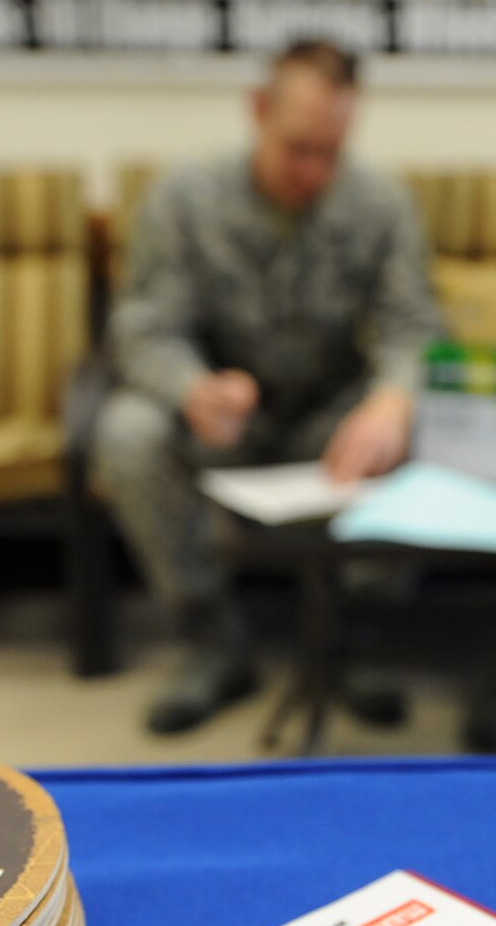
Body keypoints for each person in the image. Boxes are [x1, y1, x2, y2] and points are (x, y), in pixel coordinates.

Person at [93, 39, 444, 736]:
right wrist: (192, 388)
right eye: (298, 148)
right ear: (257, 112)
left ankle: (356, 636)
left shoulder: (382, 203)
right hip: (226, 422)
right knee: (128, 433)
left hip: (328, 421)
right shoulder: (184, 198)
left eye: (332, 151)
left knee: (427, 424)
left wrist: (392, 401)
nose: (314, 171)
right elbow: (142, 329)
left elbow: (415, 327)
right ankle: (214, 641)